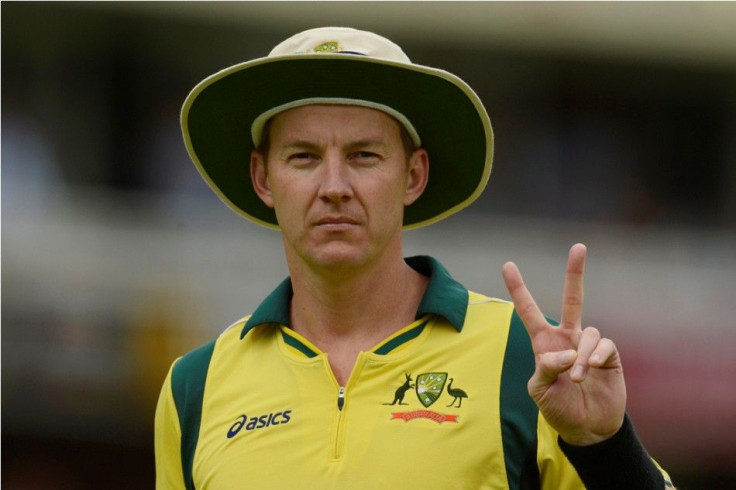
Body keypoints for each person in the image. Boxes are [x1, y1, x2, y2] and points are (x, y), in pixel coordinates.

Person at [155, 27, 674, 489]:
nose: (334, 187)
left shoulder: (530, 363)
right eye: (304, 157)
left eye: (364, 155)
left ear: (413, 175)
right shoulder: (194, 387)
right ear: (264, 178)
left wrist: (604, 445)